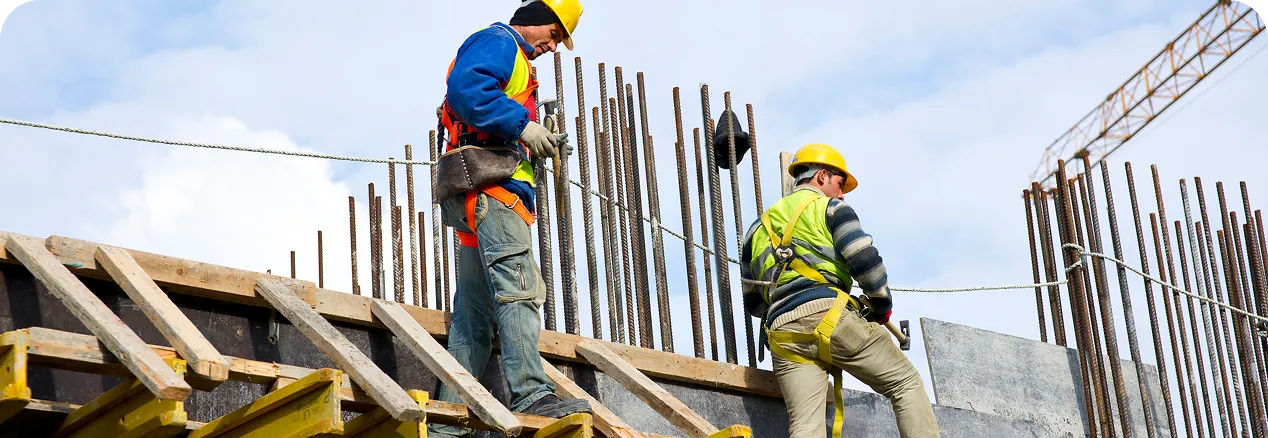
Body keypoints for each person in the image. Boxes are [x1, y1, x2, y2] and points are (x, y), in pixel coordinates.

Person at [430, 1, 587, 436]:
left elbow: (488, 111)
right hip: (494, 195)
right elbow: (468, 90)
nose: (552, 48)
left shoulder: (514, 59)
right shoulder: (499, 42)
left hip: (481, 196)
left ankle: (448, 420)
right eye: (554, 36)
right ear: (538, 20)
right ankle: (532, 393)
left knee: (474, 314)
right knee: (519, 291)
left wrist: (536, 138)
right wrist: (523, 125)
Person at [739, 144, 940, 438]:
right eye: (839, 183)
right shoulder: (832, 208)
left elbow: (754, 303)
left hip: (783, 334)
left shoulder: (756, 229)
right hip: (830, 316)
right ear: (822, 176)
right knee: (905, 383)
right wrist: (881, 305)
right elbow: (865, 261)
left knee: (806, 427)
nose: (842, 193)